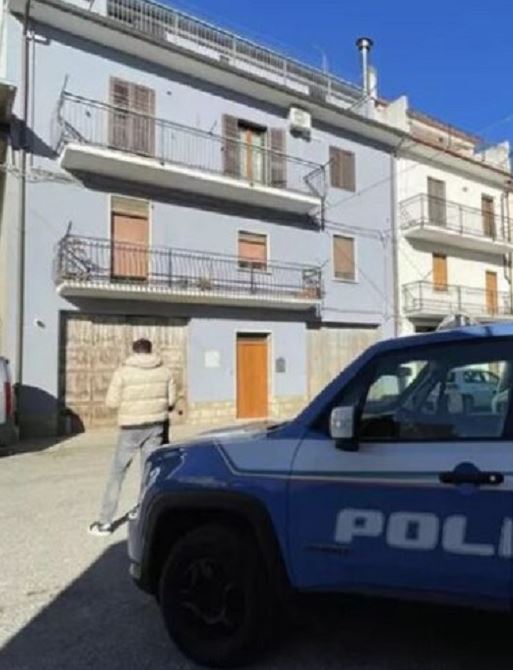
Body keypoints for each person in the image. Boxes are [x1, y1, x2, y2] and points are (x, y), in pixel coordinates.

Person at [88, 338, 176, 536]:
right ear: (150, 350)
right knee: (149, 471)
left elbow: (111, 402)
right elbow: (171, 400)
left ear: (134, 351)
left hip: (130, 428)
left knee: (118, 473)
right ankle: (144, 512)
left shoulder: (122, 372)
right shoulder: (165, 371)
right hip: (155, 426)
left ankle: (104, 523)